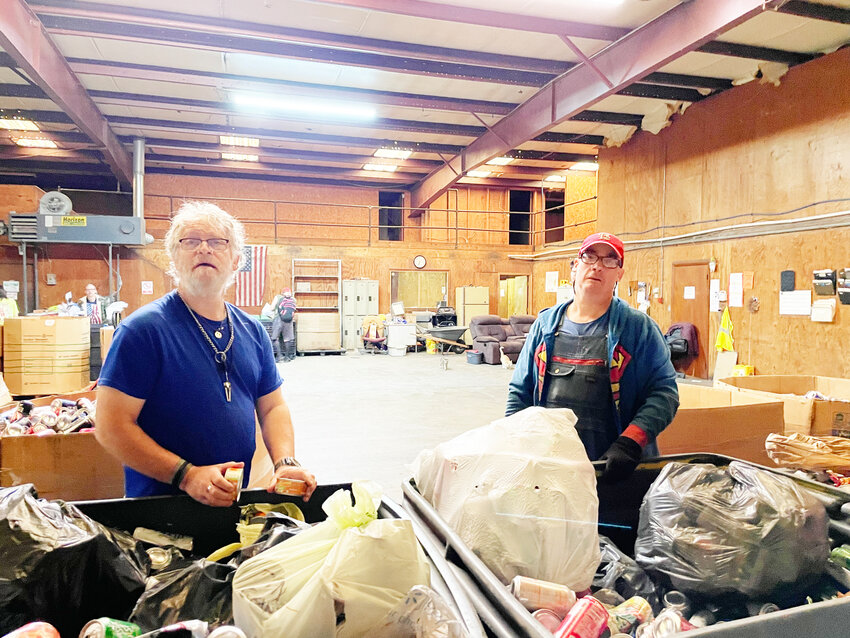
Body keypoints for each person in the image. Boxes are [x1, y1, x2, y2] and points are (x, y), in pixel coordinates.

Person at [96, 201, 317, 505]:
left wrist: (285, 463)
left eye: (217, 242)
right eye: (190, 242)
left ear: (236, 259)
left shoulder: (252, 331)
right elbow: (111, 426)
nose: (204, 249)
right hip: (161, 510)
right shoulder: (143, 331)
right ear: (173, 257)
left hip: (232, 502)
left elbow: (272, 407)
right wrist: (187, 475)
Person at [506, 232, 678, 482]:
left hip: (614, 471)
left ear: (619, 274)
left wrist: (630, 442)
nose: (597, 266)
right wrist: (512, 443)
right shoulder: (544, 326)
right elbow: (520, 392)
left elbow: (665, 393)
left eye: (610, 260)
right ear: (574, 268)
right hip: (550, 470)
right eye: (589, 257)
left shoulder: (637, 328)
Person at [271, 288, 297, 362]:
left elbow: (272, 308)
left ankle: (279, 356)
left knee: (275, 338)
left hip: (278, 318)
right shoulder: (293, 299)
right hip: (289, 320)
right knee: (287, 338)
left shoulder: (278, 297)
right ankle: (287, 357)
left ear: (282, 293)